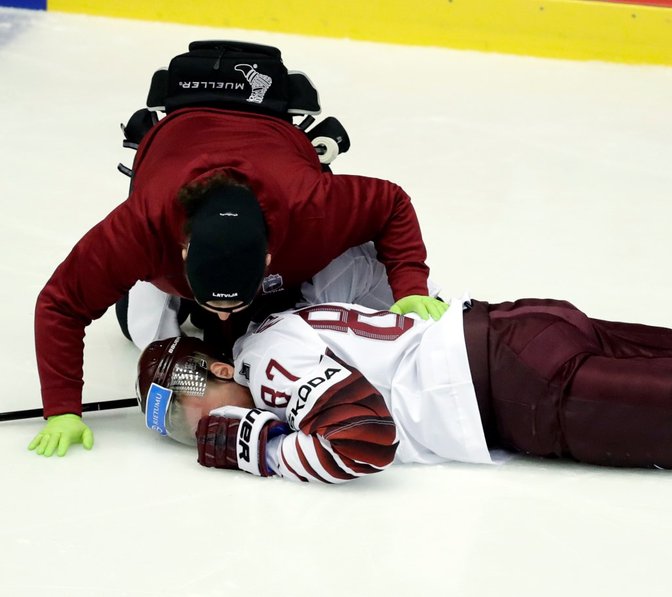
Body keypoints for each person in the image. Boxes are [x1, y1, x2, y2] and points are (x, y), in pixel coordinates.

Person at [133, 113, 672, 497]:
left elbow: (364, 437)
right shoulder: (289, 322)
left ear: (214, 359)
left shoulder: (262, 359)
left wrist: (236, 440)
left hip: (513, 392)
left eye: (180, 402)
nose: (188, 420)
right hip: (515, 333)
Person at [28, 41, 448, 458]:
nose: (224, 314)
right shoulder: (142, 227)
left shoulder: (313, 207)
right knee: (139, 330)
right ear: (183, 251)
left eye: (232, 303)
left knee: (284, 314)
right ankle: (176, 293)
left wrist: (411, 285)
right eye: (217, 304)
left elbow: (391, 203)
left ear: (268, 260)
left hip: (279, 173)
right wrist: (62, 409)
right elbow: (61, 305)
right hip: (172, 193)